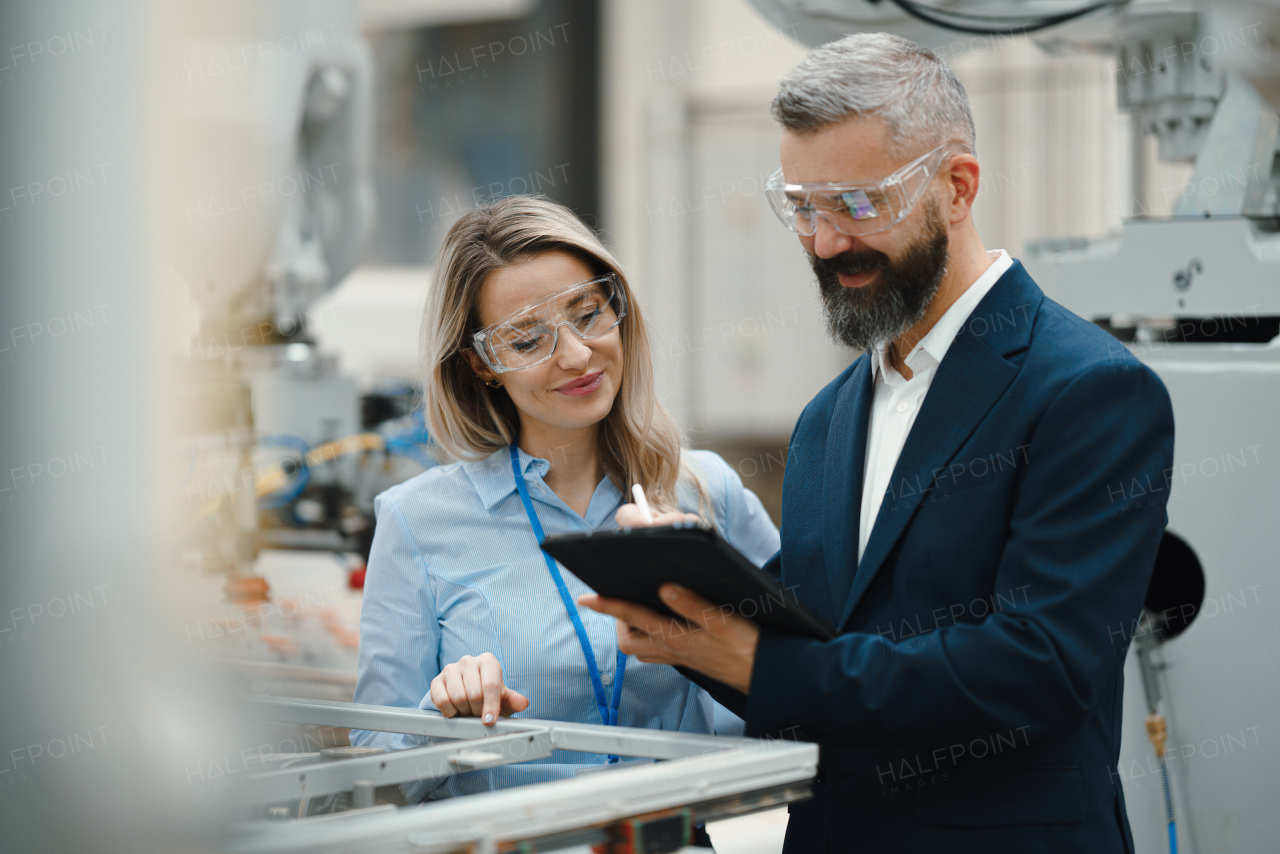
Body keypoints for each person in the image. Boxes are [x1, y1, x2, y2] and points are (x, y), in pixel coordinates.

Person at [581, 33, 1176, 853]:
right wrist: (681, 598)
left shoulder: (1089, 390)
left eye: (857, 205)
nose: (824, 242)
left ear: (957, 187)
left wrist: (758, 660)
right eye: (802, 207)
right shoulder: (831, 415)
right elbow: (819, 631)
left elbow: (1040, 666)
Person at [349, 195, 779, 802]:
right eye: (527, 340)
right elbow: (374, 773)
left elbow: (804, 685)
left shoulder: (707, 493)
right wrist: (439, 719)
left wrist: (718, 620)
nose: (577, 355)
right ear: (481, 365)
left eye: (587, 314)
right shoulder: (416, 521)